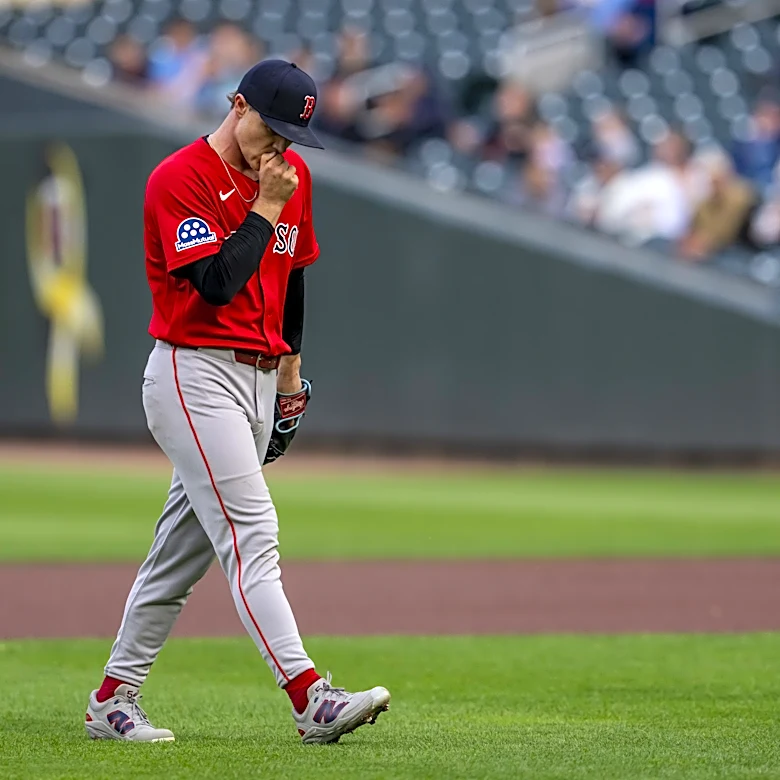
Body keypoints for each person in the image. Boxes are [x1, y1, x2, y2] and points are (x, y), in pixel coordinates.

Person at [83, 59, 391, 745]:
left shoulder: (290, 177)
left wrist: (290, 375)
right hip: (193, 375)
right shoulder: (180, 179)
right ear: (237, 104)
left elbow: (294, 280)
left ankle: (112, 699)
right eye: (271, 128)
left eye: (292, 136)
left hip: (257, 378)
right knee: (254, 535)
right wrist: (266, 206)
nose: (280, 147)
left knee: (177, 557)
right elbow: (216, 285)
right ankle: (311, 697)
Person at [677, 148, 756, 262]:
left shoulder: (741, 195)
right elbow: (694, 226)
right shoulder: (704, 198)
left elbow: (725, 232)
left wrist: (703, 240)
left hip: (736, 253)